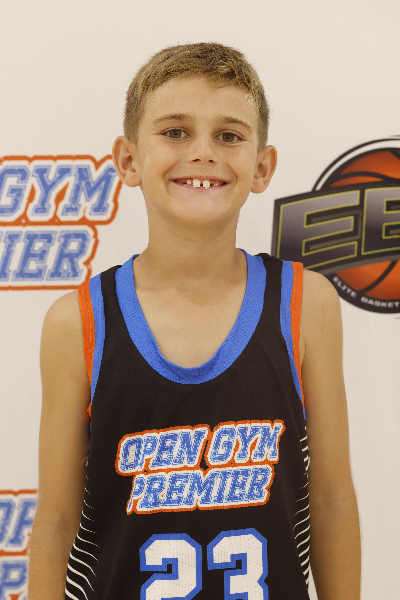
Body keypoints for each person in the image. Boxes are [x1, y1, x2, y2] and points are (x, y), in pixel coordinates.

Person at [28, 42, 361, 599]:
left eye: (228, 135)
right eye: (175, 132)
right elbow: (58, 523)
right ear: (129, 161)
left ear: (262, 167)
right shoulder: (78, 322)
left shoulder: (306, 304)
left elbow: (330, 501)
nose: (203, 153)